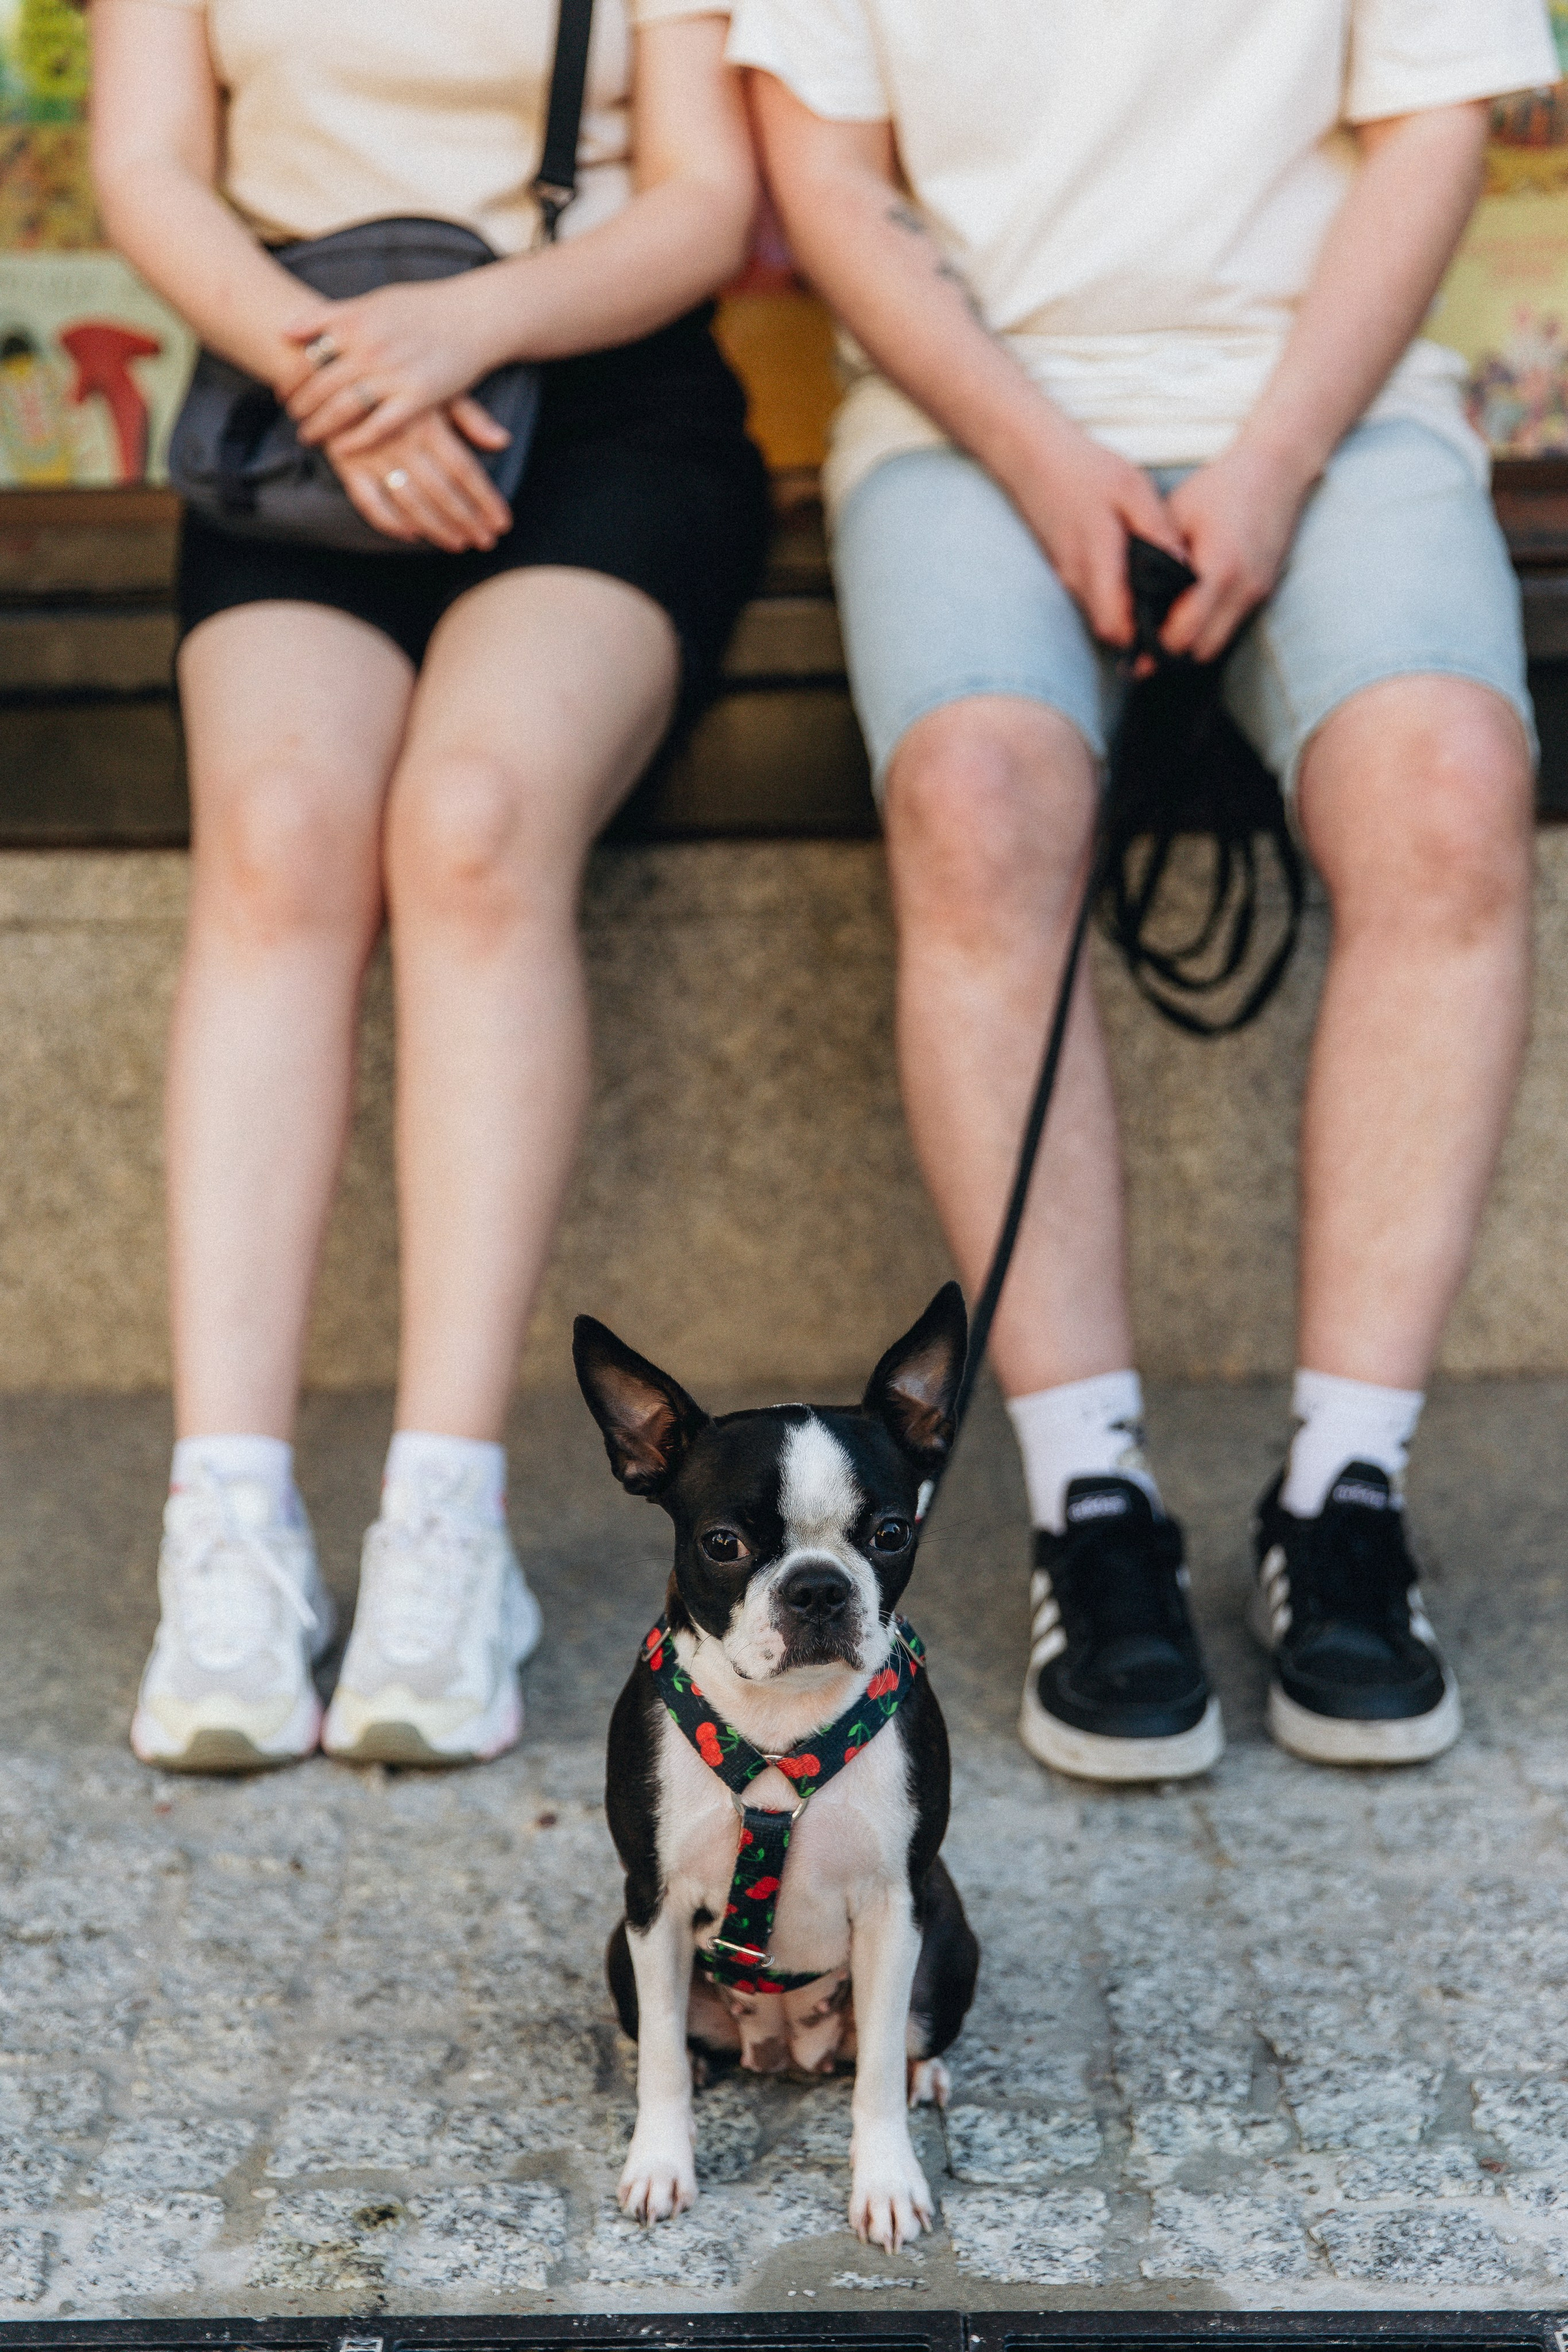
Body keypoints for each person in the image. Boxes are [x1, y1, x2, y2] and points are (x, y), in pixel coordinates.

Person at [731, 0, 1559, 1777]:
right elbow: (826, 173)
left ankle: (1346, 1495)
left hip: (1327, 406)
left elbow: (1433, 128)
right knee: (976, 797)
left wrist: (1264, 468)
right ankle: (1089, 1504)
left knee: (1449, 788)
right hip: (971, 418)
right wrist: (1046, 460)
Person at [92, 0, 769, 1771]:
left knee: (469, 818)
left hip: (602, 403)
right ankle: (225, 1528)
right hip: (290, 394)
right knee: (279, 836)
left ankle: (442, 1528)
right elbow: (148, 168)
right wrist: (339, 364)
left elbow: (706, 199)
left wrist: (460, 330)